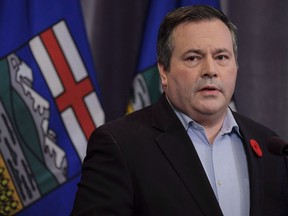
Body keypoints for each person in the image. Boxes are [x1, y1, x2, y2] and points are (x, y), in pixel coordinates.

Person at [71, 5, 288, 216]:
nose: (210, 70)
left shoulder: (269, 146)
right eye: (193, 58)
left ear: (236, 67)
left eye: (221, 57)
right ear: (163, 71)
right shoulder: (120, 145)